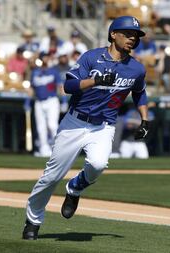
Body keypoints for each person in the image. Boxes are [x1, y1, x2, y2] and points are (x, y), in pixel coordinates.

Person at [22, 15, 149, 240]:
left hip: (104, 126)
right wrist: (95, 80)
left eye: (136, 35)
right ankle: (33, 220)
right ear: (113, 34)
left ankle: (75, 188)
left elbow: (139, 92)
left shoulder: (136, 69)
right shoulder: (91, 57)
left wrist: (144, 119)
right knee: (51, 177)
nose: (132, 39)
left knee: (98, 164)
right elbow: (68, 86)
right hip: (75, 122)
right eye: (128, 34)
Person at [29, 52, 64, 157]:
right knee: (41, 127)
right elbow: (31, 88)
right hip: (39, 102)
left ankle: (57, 149)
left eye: (46, 57)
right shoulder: (35, 72)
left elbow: (60, 87)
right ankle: (43, 149)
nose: (44, 59)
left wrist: (64, 100)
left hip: (51, 100)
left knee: (52, 125)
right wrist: (27, 101)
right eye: (43, 57)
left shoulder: (53, 71)